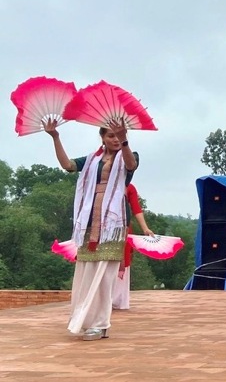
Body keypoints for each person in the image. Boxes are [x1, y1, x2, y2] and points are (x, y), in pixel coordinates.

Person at [44, 118, 138, 341]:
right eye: (110, 136)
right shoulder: (91, 160)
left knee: (105, 276)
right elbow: (67, 165)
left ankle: (100, 323)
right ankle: (84, 320)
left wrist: (125, 140)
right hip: (88, 220)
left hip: (112, 224)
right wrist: (55, 137)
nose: (114, 139)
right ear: (103, 138)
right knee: (86, 273)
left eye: (117, 135)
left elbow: (131, 165)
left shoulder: (129, 155)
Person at [112, 182, 154, 310]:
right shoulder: (101, 183)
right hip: (103, 229)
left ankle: (117, 301)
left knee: (121, 262)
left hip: (122, 230)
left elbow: (136, 209)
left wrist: (145, 228)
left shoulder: (129, 187)